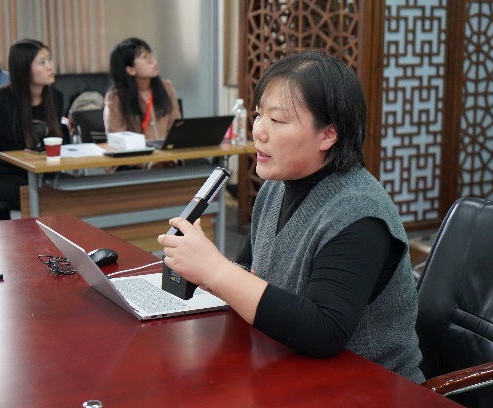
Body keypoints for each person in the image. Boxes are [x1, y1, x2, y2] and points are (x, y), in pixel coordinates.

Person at [158, 51, 425, 382]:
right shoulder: (277, 187)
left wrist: (216, 270)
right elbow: (249, 270)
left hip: (371, 386)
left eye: (277, 120)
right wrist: (202, 269)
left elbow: (325, 332)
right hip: (288, 367)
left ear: (328, 134)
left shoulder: (359, 213)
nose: (259, 132)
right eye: (259, 115)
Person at [0, 39, 64, 220]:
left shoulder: (56, 97)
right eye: (42, 62)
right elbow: (16, 146)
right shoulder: (3, 99)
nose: (50, 66)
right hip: (6, 173)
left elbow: (56, 138)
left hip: (44, 170)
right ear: (24, 69)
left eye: (49, 60)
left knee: (76, 192)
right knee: (40, 196)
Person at [104, 37, 181, 142]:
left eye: (151, 55)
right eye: (145, 57)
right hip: (136, 152)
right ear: (131, 70)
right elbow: (118, 138)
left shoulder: (167, 88)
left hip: (166, 151)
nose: (153, 60)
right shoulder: (115, 97)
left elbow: (176, 127)